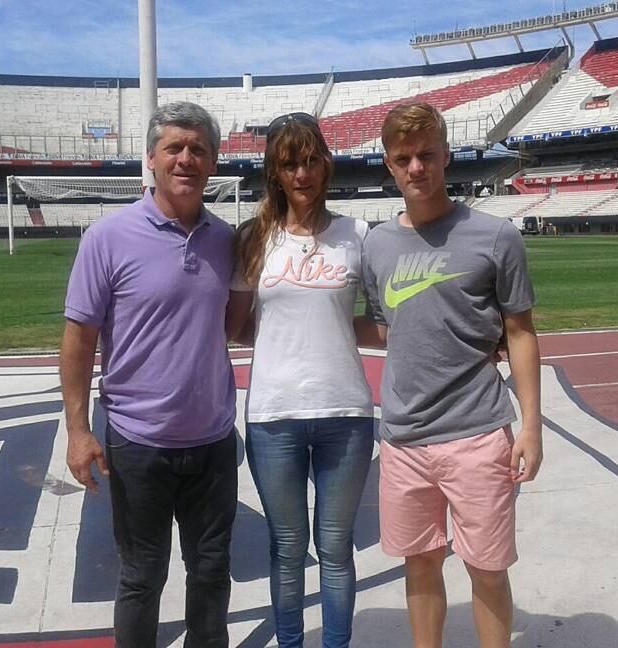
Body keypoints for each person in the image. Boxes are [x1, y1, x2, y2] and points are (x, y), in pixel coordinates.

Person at [361, 101, 543, 648]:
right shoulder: (376, 245)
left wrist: (531, 426)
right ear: (390, 166)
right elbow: (385, 329)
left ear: (445, 156)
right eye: (403, 158)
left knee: (486, 568)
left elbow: (521, 333)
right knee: (419, 563)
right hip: (404, 438)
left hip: (478, 432)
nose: (416, 168)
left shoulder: (495, 236)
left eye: (426, 155)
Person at [60, 101, 237, 648]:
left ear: (212, 163)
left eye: (198, 150)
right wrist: (78, 429)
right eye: (174, 148)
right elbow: (79, 339)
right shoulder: (107, 238)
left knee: (210, 574)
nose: (186, 159)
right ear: (151, 160)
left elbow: (236, 325)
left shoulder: (227, 240)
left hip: (213, 441)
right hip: (138, 443)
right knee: (141, 577)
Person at [226, 112, 376, 648]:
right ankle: (290, 642)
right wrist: (282, 339)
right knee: (287, 547)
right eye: (290, 163)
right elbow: (234, 324)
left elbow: (381, 319)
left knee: (335, 547)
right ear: (275, 170)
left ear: (326, 163)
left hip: (346, 414)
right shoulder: (253, 239)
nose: (302, 173)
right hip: (274, 414)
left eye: (311, 160)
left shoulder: (357, 235)